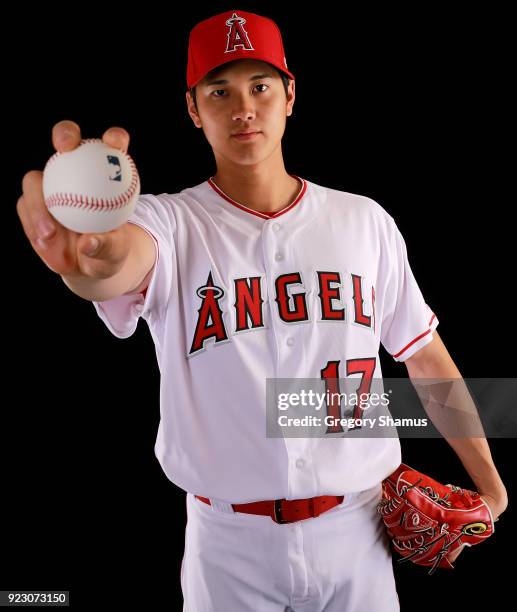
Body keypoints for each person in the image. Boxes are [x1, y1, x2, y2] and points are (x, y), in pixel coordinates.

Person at [17, 9, 507, 612]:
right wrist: (89, 255)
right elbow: (116, 262)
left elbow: (424, 356)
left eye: (260, 86)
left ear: (290, 94)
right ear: (193, 110)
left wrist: (490, 486)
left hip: (358, 533)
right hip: (228, 548)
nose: (242, 107)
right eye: (219, 91)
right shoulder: (167, 222)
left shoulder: (364, 221)